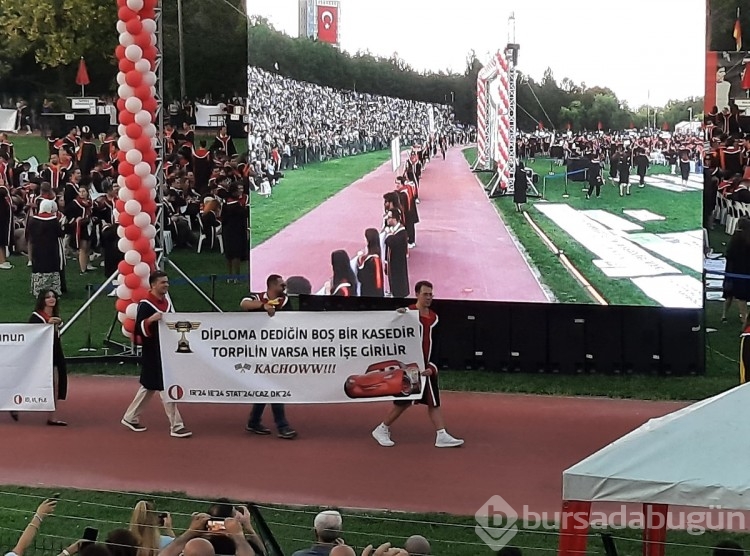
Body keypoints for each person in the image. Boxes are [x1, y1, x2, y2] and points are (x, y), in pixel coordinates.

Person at [372, 281, 463, 448]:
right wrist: (397, 316)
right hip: (411, 367)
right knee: (404, 401)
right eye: (425, 294)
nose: (429, 297)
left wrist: (433, 367)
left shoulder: (435, 318)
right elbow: (393, 333)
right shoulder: (408, 313)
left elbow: (437, 344)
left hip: (426, 368)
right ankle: (382, 428)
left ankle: (441, 434)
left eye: (430, 294)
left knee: (433, 400)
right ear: (417, 295)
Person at [121, 271, 192, 438]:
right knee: (164, 385)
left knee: (149, 385)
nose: (166, 285)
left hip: (165, 349)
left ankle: (130, 417)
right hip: (152, 350)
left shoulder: (165, 303)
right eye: (162, 282)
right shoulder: (145, 305)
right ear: (153, 285)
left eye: (167, 282)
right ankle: (176, 425)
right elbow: (139, 328)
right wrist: (150, 320)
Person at [240, 274, 298, 439]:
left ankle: (254, 421)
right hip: (257, 350)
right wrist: (263, 306)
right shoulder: (257, 297)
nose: (284, 288)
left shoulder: (284, 302)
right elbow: (243, 304)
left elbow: (291, 321)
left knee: (267, 385)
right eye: (281, 285)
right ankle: (282, 425)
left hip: (276, 350)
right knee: (272, 386)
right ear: (272, 286)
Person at [20, 290, 68, 425]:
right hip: (40, 354)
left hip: (55, 351)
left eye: (53, 297)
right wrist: (47, 325)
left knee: (56, 383)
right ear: (42, 300)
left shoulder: (56, 315)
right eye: (48, 297)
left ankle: (52, 416)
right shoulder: (36, 316)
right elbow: (31, 335)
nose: (51, 299)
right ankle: (14, 404)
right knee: (31, 382)